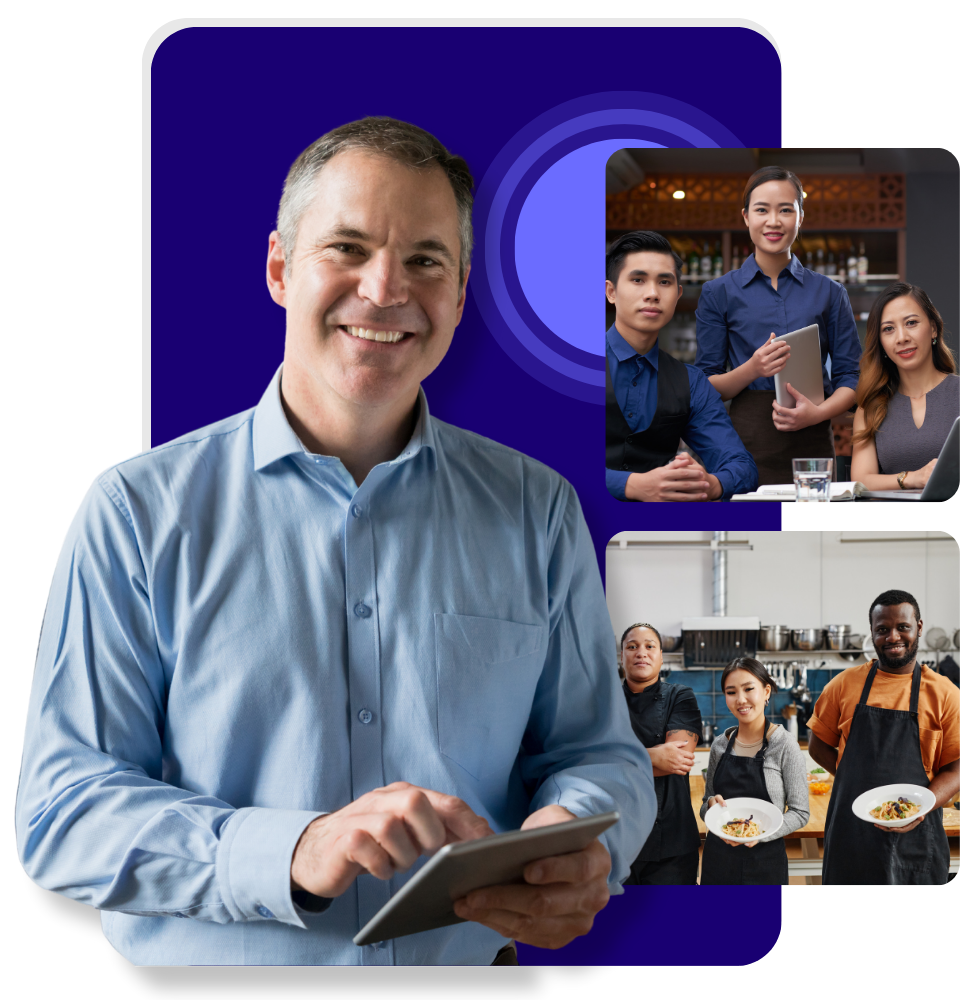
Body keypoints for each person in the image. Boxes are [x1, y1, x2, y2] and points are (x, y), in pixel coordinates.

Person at [16, 117, 657, 966]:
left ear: (460, 295)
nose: (386, 288)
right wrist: (290, 850)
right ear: (280, 267)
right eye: (347, 248)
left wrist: (577, 841)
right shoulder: (134, 511)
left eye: (425, 260)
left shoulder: (537, 507)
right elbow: (63, 812)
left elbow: (598, 754)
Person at [694, 166, 862, 485]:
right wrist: (753, 368)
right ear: (746, 217)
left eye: (786, 209)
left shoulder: (830, 292)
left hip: (812, 443)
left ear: (800, 217)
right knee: (747, 534)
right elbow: (706, 384)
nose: (773, 221)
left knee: (813, 535)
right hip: (743, 444)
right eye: (762, 210)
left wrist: (818, 413)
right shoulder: (718, 293)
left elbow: (850, 377)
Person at [807, 590, 960, 885]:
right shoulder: (842, 685)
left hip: (917, 837)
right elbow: (818, 745)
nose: (892, 637)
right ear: (872, 633)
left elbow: (956, 768)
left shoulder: (945, 694)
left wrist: (923, 806)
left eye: (902, 627)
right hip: (851, 835)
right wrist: (857, 785)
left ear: (918, 627)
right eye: (882, 629)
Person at [605, 231, 758, 502]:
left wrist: (710, 484)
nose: (652, 294)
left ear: (677, 294)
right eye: (638, 280)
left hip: (662, 535)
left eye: (664, 282)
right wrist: (632, 485)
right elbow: (541, 458)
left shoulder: (691, 382)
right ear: (611, 292)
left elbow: (742, 467)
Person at [699, 658, 809, 885]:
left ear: (766, 691)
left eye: (749, 689)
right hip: (718, 861)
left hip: (765, 864)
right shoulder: (719, 746)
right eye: (731, 692)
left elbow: (800, 813)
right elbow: (705, 804)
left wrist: (759, 835)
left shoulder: (785, 745)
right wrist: (710, 805)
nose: (741, 699)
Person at [850, 283, 959, 491]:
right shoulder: (869, 408)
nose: (902, 338)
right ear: (881, 342)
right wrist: (911, 478)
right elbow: (861, 481)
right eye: (888, 329)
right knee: (774, 520)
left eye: (911, 323)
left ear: (933, 329)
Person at [618, 624, 703, 884]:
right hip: (615, 839)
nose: (640, 652)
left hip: (672, 842)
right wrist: (654, 756)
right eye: (632, 647)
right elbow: (588, 760)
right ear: (622, 656)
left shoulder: (681, 696)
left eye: (649, 646)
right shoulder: (604, 700)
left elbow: (675, 761)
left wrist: (615, 759)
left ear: (661, 656)